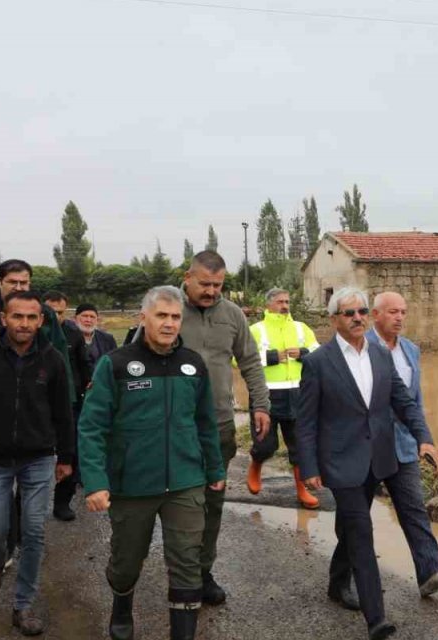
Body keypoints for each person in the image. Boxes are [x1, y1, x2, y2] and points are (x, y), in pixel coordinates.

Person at [79, 285, 225, 640]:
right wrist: (96, 481)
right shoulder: (114, 365)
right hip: (132, 484)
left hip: (186, 481)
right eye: (161, 315)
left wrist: (215, 469)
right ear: (143, 317)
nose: (169, 323)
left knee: (187, 563)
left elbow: (206, 422)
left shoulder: (192, 364)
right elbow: (92, 426)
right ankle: (122, 605)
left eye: (175, 317)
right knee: (127, 561)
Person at [295, 288, 438, 640]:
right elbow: (306, 422)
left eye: (362, 311)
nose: (358, 317)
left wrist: (424, 437)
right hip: (341, 462)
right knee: (362, 532)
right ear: (333, 320)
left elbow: (404, 403)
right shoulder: (318, 362)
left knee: (349, 528)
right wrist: (309, 466)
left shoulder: (380, 354)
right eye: (349, 313)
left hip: (379, 458)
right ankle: (377, 619)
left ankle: (336, 583)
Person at [0, 291, 74, 636]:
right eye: (17, 317)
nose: (24, 324)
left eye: (31, 317)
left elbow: (63, 412)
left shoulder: (52, 359)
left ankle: (23, 605)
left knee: (35, 530)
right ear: (5, 318)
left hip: (38, 458)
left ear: (41, 320)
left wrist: (66, 457)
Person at [177, 251, 270, 605]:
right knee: (178, 503)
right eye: (205, 284)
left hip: (218, 426)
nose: (212, 291)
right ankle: (179, 571)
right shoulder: (168, 308)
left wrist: (261, 405)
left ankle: (202, 572)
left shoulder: (232, 315)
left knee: (212, 503)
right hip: (173, 428)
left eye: (218, 285)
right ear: (188, 277)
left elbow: (249, 361)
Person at [365, 292, 438, 598]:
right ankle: (339, 581)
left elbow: (414, 401)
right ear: (375, 314)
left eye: (403, 311)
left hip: (403, 445)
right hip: (366, 446)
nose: (400, 317)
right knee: (355, 519)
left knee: (414, 509)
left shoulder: (411, 350)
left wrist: (424, 440)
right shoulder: (358, 348)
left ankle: (429, 573)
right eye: (393, 312)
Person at [245, 287, 321, 509]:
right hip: (265, 396)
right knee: (265, 444)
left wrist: (304, 353)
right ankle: (256, 464)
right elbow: (236, 358)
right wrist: (270, 357)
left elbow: (320, 353)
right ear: (268, 304)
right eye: (280, 302)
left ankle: (301, 491)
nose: (285, 305)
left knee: (299, 446)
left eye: (287, 301)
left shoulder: (301, 328)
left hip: (298, 395)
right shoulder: (255, 330)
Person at [42, 291, 92, 522]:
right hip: (39, 403)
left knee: (69, 453)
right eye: (51, 312)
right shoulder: (34, 332)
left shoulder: (73, 333)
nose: (56, 317)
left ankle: (62, 502)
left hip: (69, 402)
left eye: (60, 312)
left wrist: (86, 390)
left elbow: (84, 364)